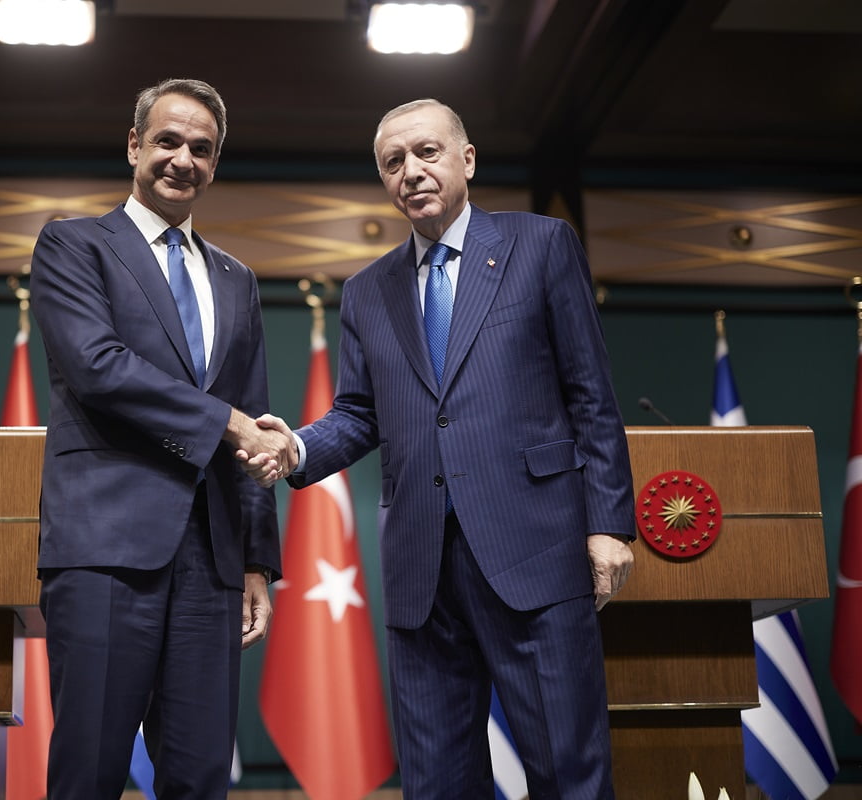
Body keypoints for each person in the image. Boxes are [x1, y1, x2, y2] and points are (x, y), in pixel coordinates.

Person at [244, 99, 636, 799]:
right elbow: (359, 413)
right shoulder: (367, 291)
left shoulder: (541, 245)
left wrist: (608, 524)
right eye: (392, 162)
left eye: (426, 152)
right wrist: (296, 449)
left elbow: (591, 395)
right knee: (437, 783)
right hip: (422, 570)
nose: (411, 171)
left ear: (467, 159)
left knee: (567, 772)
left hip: (535, 552)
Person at [30, 77, 292, 800]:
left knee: (201, 778)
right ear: (134, 145)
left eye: (201, 149)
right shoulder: (74, 244)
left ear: (215, 163)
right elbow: (99, 368)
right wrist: (226, 422)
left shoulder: (237, 278)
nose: (183, 159)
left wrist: (256, 561)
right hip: (105, 552)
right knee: (89, 771)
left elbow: (256, 419)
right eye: (168, 141)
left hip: (213, 563)